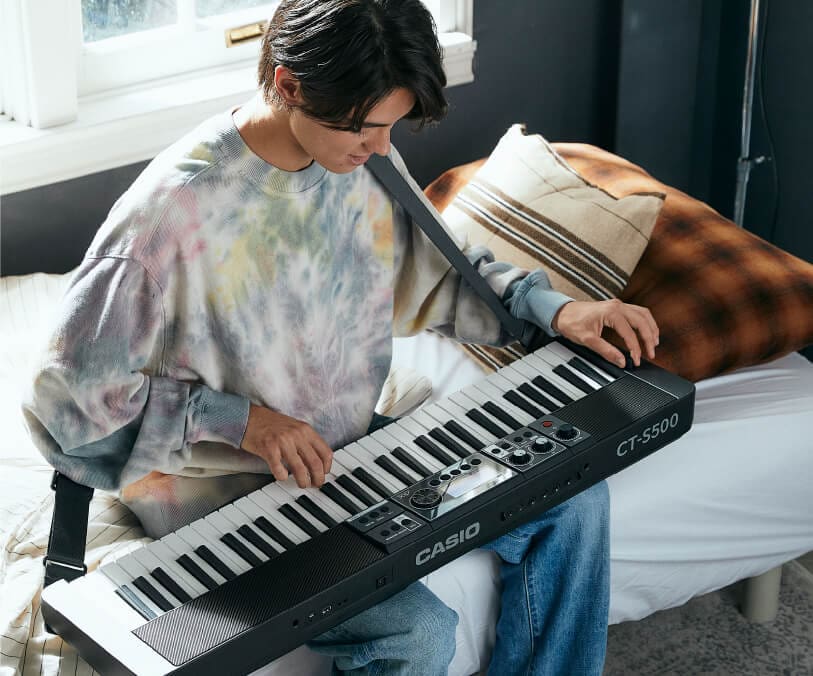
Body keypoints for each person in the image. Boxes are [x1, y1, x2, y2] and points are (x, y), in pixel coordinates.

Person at [23, 0, 658, 674]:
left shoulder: (359, 163)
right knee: (417, 635)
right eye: (363, 128)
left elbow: (442, 271)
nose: (381, 147)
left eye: (390, 126)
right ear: (289, 83)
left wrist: (556, 310)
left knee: (574, 498)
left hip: (350, 451)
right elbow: (66, 403)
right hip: (218, 488)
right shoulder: (170, 216)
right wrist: (244, 423)